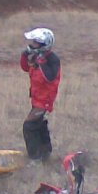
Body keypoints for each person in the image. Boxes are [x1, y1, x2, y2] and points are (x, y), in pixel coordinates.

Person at [19, 27, 61, 163]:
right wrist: (25, 56)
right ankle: (45, 153)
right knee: (39, 125)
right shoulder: (37, 56)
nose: (32, 44)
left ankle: (35, 158)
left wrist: (41, 62)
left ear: (44, 44)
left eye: (35, 42)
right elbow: (26, 68)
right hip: (37, 99)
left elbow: (50, 77)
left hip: (44, 101)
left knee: (29, 127)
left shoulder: (52, 59)